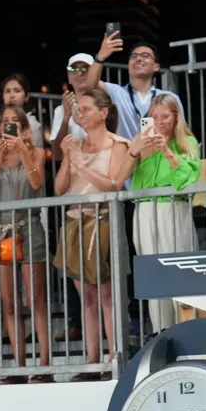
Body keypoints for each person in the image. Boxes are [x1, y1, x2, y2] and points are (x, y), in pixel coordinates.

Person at [53, 87, 132, 380]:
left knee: (107, 294)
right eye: (79, 110)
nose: (80, 114)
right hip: (76, 221)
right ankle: (92, 362)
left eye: (86, 108)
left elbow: (113, 183)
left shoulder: (118, 144)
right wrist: (66, 159)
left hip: (104, 222)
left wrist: (81, 167)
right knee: (86, 296)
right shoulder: (75, 145)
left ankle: (114, 359)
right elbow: (60, 188)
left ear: (104, 112)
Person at [0, 108, 51, 383]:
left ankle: (44, 365)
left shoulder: (37, 152)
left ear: (23, 127)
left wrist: (22, 150)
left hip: (28, 225)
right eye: (4, 122)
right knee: (8, 302)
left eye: (14, 123)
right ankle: (19, 366)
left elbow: (37, 181)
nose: (8, 126)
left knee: (37, 299)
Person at [129, 94, 201, 332]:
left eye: (165, 116)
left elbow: (188, 179)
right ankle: (163, 332)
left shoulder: (187, 142)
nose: (160, 122)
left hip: (173, 208)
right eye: (155, 117)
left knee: (181, 271)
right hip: (145, 209)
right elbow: (119, 176)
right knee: (154, 275)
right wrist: (134, 151)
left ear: (176, 117)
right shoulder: (141, 142)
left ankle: (188, 331)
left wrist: (167, 153)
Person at [84, 32, 185, 140]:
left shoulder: (169, 98)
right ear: (128, 65)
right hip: (125, 154)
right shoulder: (117, 92)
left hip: (158, 155)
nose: (138, 59)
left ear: (156, 66)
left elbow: (181, 133)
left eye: (145, 56)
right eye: (134, 56)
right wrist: (100, 56)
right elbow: (90, 86)